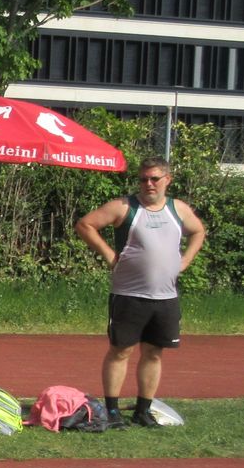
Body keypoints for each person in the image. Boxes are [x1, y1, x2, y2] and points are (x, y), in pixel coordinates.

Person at [75, 157, 206, 427]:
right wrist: (109, 254)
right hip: (129, 294)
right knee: (121, 351)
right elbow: (85, 224)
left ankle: (143, 410)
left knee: (154, 352)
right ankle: (113, 411)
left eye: (154, 178)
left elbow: (198, 231)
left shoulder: (178, 209)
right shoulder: (124, 207)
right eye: (143, 179)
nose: (148, 184)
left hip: (165, 297)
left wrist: (186, 260)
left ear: (167, 180)